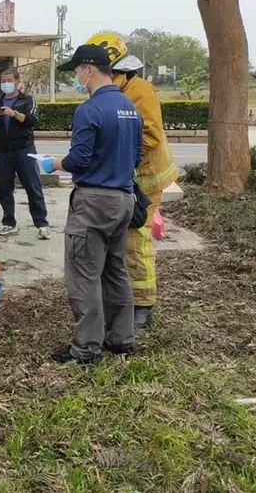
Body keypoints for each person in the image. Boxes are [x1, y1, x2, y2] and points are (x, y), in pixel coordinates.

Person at [39, 44, 143, 364]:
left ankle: (86, 349)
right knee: (115, 271)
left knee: (84, 275)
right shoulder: (130, 107)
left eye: (77, 71)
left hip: (94, 203)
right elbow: (136, 157)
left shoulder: (90, 109)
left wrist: (53, 163)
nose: (76, 77)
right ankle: (121, 339)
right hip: (124, 200)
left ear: (89, 69)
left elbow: (79, 159)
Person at [86, 32, 179, 329]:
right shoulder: (113, 90)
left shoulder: (140, 91)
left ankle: (142, 304)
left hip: (146, 179)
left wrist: (114, 156)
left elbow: (149, 136)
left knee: (135, 239)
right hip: (124, 179)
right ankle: (121, 294)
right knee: (120, 239)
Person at [0, 68, 50, 240]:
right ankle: (8, 223)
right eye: (3, 81)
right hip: (3, 151)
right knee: (5, 189)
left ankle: (41, 224)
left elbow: (33, 121)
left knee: (33, 187)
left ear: (17, 82)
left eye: (9, 80)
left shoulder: (27, 100)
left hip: (24, 150)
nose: (6, 84)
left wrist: (14, 114)